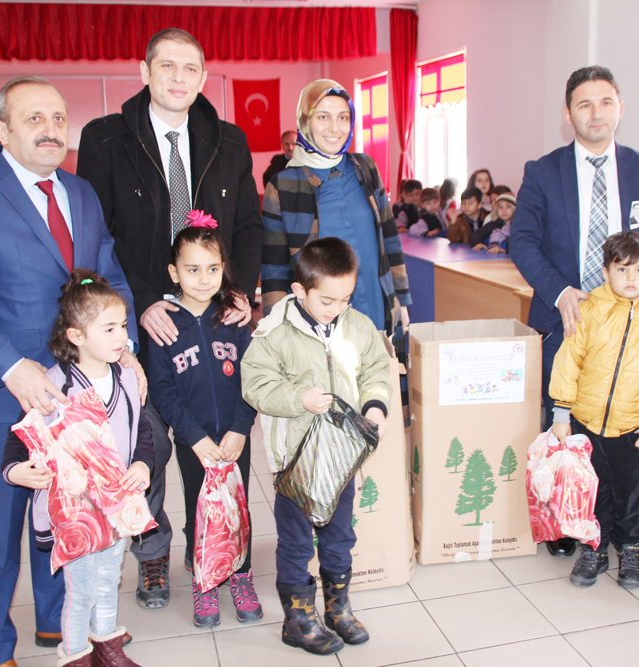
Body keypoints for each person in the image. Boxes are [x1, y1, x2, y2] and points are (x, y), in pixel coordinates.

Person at [0, 75, 143, 667]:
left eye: (58, 118)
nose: (51, 130)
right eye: (34, 119)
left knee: (67, 512)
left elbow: (108, 278)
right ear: (0, 130)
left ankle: (58, 625)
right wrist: (12, 368)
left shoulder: (82, 193)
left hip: (79, 389)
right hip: (4, 391)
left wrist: (123, 348)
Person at [78, 27, 264, 608]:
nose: (179, 78)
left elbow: (249, 227)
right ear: (145, 71)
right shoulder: (105, 139)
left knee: (215, 434)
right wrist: (140, 302)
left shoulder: (228, 141)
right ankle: (152, 552)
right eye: (167, 66)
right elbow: (97, 234)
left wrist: (237, 291)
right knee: (150, 441)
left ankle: (214, 542)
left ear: (203, 77)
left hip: (212, 308)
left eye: (190, 68)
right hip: (142, 316)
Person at [510, 66, 639, 558]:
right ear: (568, 114)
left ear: (620, 108)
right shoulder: (543, 171)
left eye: (605, 102)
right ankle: (569, 524)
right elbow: (523, 240)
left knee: (621, 432)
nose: (596, 113)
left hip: (631, 324)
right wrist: (560, 291)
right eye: (584, 104)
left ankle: (618, 528)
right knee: (568, 424)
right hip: (570, 317)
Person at [241, 237, 391, 656]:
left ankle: (337, 607)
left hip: (341, 459)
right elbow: (255, 384)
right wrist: (299, 398)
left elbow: (377, 369)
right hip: (296, 462)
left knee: (340, 534)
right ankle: (298, 618)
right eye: (327, 300)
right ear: (299, 290)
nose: (336, 308)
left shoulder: (358, 325)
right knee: (296, 541)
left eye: (345, 299)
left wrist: (375, 407)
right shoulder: (273, 332)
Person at [1, 270, 152, 667]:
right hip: (76, 513)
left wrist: (141, 463)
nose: (121, 337)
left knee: (109, 580)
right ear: (76, 336)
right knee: (81, 590)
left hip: (116, 504)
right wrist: (15, 471)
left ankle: (108, 649)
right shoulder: (54, 385)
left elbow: (142, 430)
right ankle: (74, 656)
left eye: (123, 326)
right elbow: (18, 438)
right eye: (109, 329)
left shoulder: (127, 377)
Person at [549, 232, 639, 589]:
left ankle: (632, 547)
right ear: (606, 271)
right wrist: (562, 413)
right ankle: (594, 548)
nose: (631, 278)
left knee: (630, 492)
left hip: (635, 430)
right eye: (622, 269)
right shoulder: (590, 309)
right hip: (587, 422)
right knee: (594, 491)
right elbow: (569, 362)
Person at [147, 220, 261, 628]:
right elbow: (162, 391)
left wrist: (241, 427)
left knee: (238, 507)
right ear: (174, 272)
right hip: (193, 442)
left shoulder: (233, 319)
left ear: (223, 268)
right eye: (192, 269)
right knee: (202, 510)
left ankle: (241, 575)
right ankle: (205, 580)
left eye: (212, 269)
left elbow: (253, 377)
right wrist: (193, 437)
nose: (203, 279)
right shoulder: (163, 326)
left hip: (234, 437)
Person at [262, 79, 411, 337]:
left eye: (343, 118)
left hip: (375, 303)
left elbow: (390, 238)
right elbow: (273, 266)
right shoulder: (283, 185)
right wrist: (276, 326)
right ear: (305, 120)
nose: (335, 128)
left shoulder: (366, 168)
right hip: (320, 317)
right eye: (323, 117)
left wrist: (402, 299)